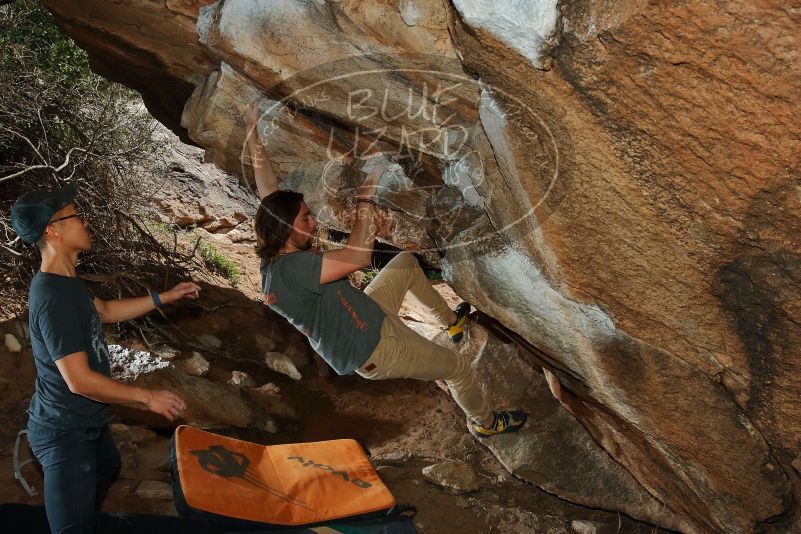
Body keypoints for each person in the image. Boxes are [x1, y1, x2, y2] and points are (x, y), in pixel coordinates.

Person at [244, 102, 527, 438]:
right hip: (375, 348)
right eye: (306, 218)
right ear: (287, 228)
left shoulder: (276, 250)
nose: (314, 221)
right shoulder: (291, 272)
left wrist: (253, 130)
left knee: (404, 263)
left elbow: (268, 189)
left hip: (367, 312)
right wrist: (366, 197)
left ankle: (452, 324)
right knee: (459, 369)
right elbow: (358, 256)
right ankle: (486, 422)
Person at [10, 183, 200, 534]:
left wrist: (166, 297)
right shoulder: (54, 298)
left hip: (86, 422)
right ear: (54, 231)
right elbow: (79, 380)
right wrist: (147, 398)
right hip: (64, 433)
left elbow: (107, 311)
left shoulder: (67, 282)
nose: (85, 221)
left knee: (107, 466)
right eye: (76, 215)